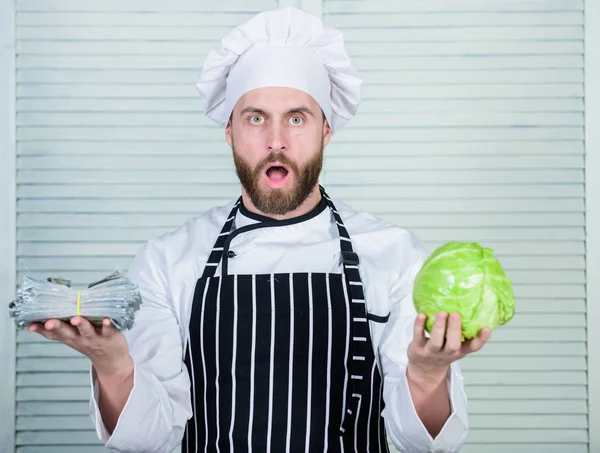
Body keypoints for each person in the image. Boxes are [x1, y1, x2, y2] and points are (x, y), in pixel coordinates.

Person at [28, 6, 491, 453]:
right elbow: (150, 439)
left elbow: (423, 443)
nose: (277, 141)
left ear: (325, 131)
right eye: (255, 118)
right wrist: (112, 367)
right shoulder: (169, 261)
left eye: (296, 117)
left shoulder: (394, 255)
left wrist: (428, 376)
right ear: (229, 130)